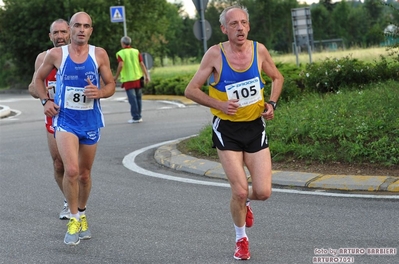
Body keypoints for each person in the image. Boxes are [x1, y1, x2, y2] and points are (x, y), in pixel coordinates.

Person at [184, 5, 284, 260]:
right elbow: (191, 90)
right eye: (233, 24)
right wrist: (219, 104)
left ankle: (245, 203)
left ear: (248, 26)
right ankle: (241, 239)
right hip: (226, 130)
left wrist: (271, 103)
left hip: (254, 127)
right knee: (239, 190)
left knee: (262, 192)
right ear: (223, 29)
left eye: (243, 23)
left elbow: (277, 77)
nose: (239, 28)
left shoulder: (259, 50)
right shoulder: (214, 54)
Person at [34, 11, 116, 246]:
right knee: (70, 170)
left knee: (85, 174)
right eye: (77, 25)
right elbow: (37, 80)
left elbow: (111, 85)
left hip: (90, 122)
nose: (81, 29)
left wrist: (100, 92)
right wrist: (46, 101)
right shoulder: (56, 54)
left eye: (86, 26)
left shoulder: (98, 54)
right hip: (65, 121)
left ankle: (82, 212)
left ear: (91, 30)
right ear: (70, 29)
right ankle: (73, 217)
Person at [28, 19, 71, 220]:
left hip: (77, 117)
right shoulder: (42, 58)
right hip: (54, 117)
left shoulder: (80, 55)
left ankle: (79, 205)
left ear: (70, 33)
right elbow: (32, 86)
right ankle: (68, 202)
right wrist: (44, 96)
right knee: (59, 165)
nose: (60, 36)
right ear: (50, 36)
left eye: (63, 32)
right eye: (56, 33)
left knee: (76, 168)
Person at [113, 36, 150, 123]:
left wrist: (116, 76)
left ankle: (136, 117)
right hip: (138, 78)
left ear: (122, 43)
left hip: (128, 80)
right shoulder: (136, 51)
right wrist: (147, 75)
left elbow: (121, 65)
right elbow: (142, 64)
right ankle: (139, 116)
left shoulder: (121, 53)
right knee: (138, 98)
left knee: (132, 99)